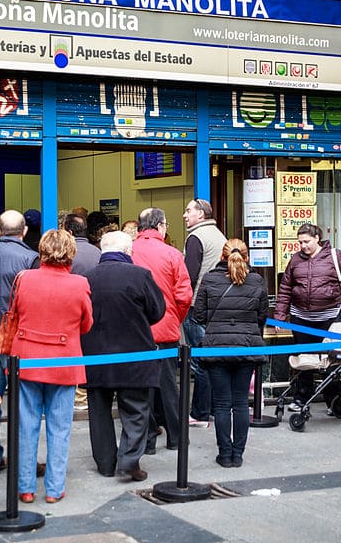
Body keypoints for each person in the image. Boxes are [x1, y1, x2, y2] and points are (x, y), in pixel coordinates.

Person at [11, 229, 93, 503]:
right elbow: (86, 324)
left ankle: (25, 488)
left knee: (26, 425)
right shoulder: (79, 283)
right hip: (64, 361)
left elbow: (17, 313)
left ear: (42, 250)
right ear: (70, 253)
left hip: (27, 359)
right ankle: (54, 489)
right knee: (60, 428)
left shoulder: (24, 279)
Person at [82, 231, 165, 482]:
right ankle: (129, 461)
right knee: (136, 410)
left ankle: (106, 464)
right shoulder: (140, 275)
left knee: (99, 412)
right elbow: (157, 310)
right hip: (134, 354)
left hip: (95, 355)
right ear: (128, 251)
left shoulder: (86, 278)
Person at [274, 223, 341, 412]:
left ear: (317, 238)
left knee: (332, 359)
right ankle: (301, 398)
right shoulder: (295, 260)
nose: (303, 246)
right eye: (300, 242)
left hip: (328, 318)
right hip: (301, 318)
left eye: (307, 241)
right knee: (305, 359)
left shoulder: (334, 256)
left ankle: (335, 400)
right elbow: (285, 288)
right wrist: (280, 314)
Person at [194, 239, 268, 468]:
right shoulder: (257, 280)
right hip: (247, 346)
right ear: (247, 257)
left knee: (223, 403)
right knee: (240, 402)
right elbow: (262, 316)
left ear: (221, 257)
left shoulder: (209, 279)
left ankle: (225, 454)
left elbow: (198, 316)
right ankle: (238, 454)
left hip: (217, 347)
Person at [0, 210, 39, 476]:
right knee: (25, 404)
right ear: (24, 231)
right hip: (19, 340)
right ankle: (23, 459)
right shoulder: (30, 258)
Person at [131, 208, 192, 453]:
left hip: (136, 330)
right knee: (169, 386)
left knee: (141, 388)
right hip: (166, 328)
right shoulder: (172, 254)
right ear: (160, 226)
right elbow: (184, 295)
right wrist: (176, 318)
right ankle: (177, 437)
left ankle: (147, 441)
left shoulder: (129, 251)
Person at [182, 198, 227, 429]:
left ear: (200, 214)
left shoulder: (196, 238)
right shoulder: (219, 235)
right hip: (216, 305)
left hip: (197, 305)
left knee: (199, 361)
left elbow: (188, 276)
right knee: (211, 359)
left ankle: (199, 413)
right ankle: (210, 407)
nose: (185, 215)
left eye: (189, 210)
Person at [63, 213, 101, 412]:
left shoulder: (67, 253)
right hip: (95, 310)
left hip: (70, 312)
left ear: (68, 231)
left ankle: (78, 396)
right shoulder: (98, 253)